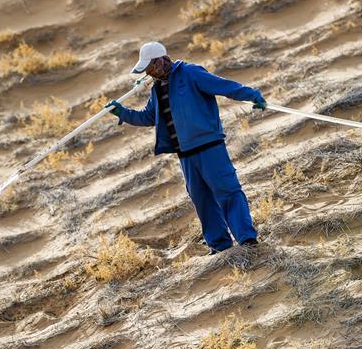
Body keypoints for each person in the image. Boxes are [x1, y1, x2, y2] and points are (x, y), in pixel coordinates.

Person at [105, 41, 267, 255]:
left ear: (162, 60)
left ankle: (247, 240)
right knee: (202, 200)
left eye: (151, 66)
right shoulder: (156, 89)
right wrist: (122, 113)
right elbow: (147, 117)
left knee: (228, 192)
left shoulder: (191, 73)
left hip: (210, 147)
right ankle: (219, 246)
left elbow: (224, 86)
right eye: (147, 69)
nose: (149, 72)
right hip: (185, 155)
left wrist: (251, 95)